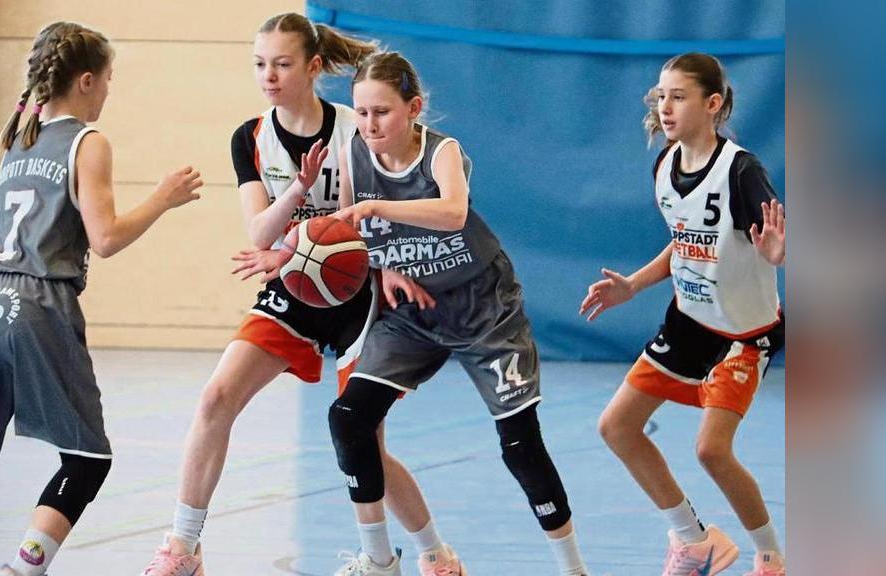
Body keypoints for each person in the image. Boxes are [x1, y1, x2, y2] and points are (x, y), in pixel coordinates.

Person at [139, 14, 449, 576]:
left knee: (364, 440)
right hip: (294, 283)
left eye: (282, 64)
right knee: (215, 399)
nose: (269, 75)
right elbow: (260, 234)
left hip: (358, 291)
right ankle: (182, 547)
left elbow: (365, 223)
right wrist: (299, 195)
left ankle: (429, 553)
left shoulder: (355, 128)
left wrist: (308, 245)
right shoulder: (251, 137)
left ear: (312, 67)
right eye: (260, 64)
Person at [329, 51, 590, 576]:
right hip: (415, 311)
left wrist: (378, 207)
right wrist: (383, 266)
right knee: (349, 418)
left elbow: (453, 212)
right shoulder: (354, 153)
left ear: (413, 109)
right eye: (362, 113)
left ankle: (573, 569)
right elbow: (349, 232)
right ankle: (380, 561)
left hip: (484, 310)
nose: (370, 124)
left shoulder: (440, 151)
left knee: (520, 445)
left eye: (382, 112)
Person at [0, 21, 203, 576]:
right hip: (38, 305)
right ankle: (21, 570)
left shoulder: (17, 142)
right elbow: (105, 239)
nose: (107, 90)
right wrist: (162, 198)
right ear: (85, 81)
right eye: (107, 79)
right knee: (86, 458)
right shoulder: (87, 141)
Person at [580, 52, 786, 576]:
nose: (665, 107)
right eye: (660, 97)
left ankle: (770, 557)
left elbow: (773, 239)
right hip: (688, 322)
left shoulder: (740, 171)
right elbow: (684, 240)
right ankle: (694, 541)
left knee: (712, 451)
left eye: (678, 96)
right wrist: (633, 284)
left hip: (743, 333)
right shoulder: (666, 166)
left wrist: (777, 254)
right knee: (617, 427)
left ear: (712, 104)